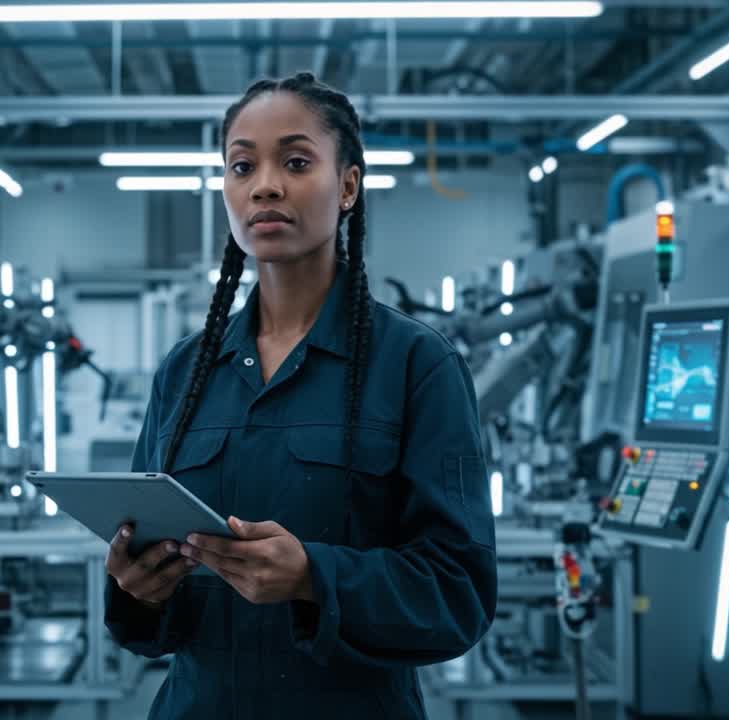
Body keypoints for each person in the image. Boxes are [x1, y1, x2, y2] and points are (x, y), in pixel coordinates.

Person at [104, 72, 497, 719]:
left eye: (295, 161)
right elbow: (154, 615)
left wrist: (316, 576)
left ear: (348, 185)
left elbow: (459, 595)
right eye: (240, 165)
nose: (263, 184)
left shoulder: (416, 365)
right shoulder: (184, 372)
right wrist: (138, 589)